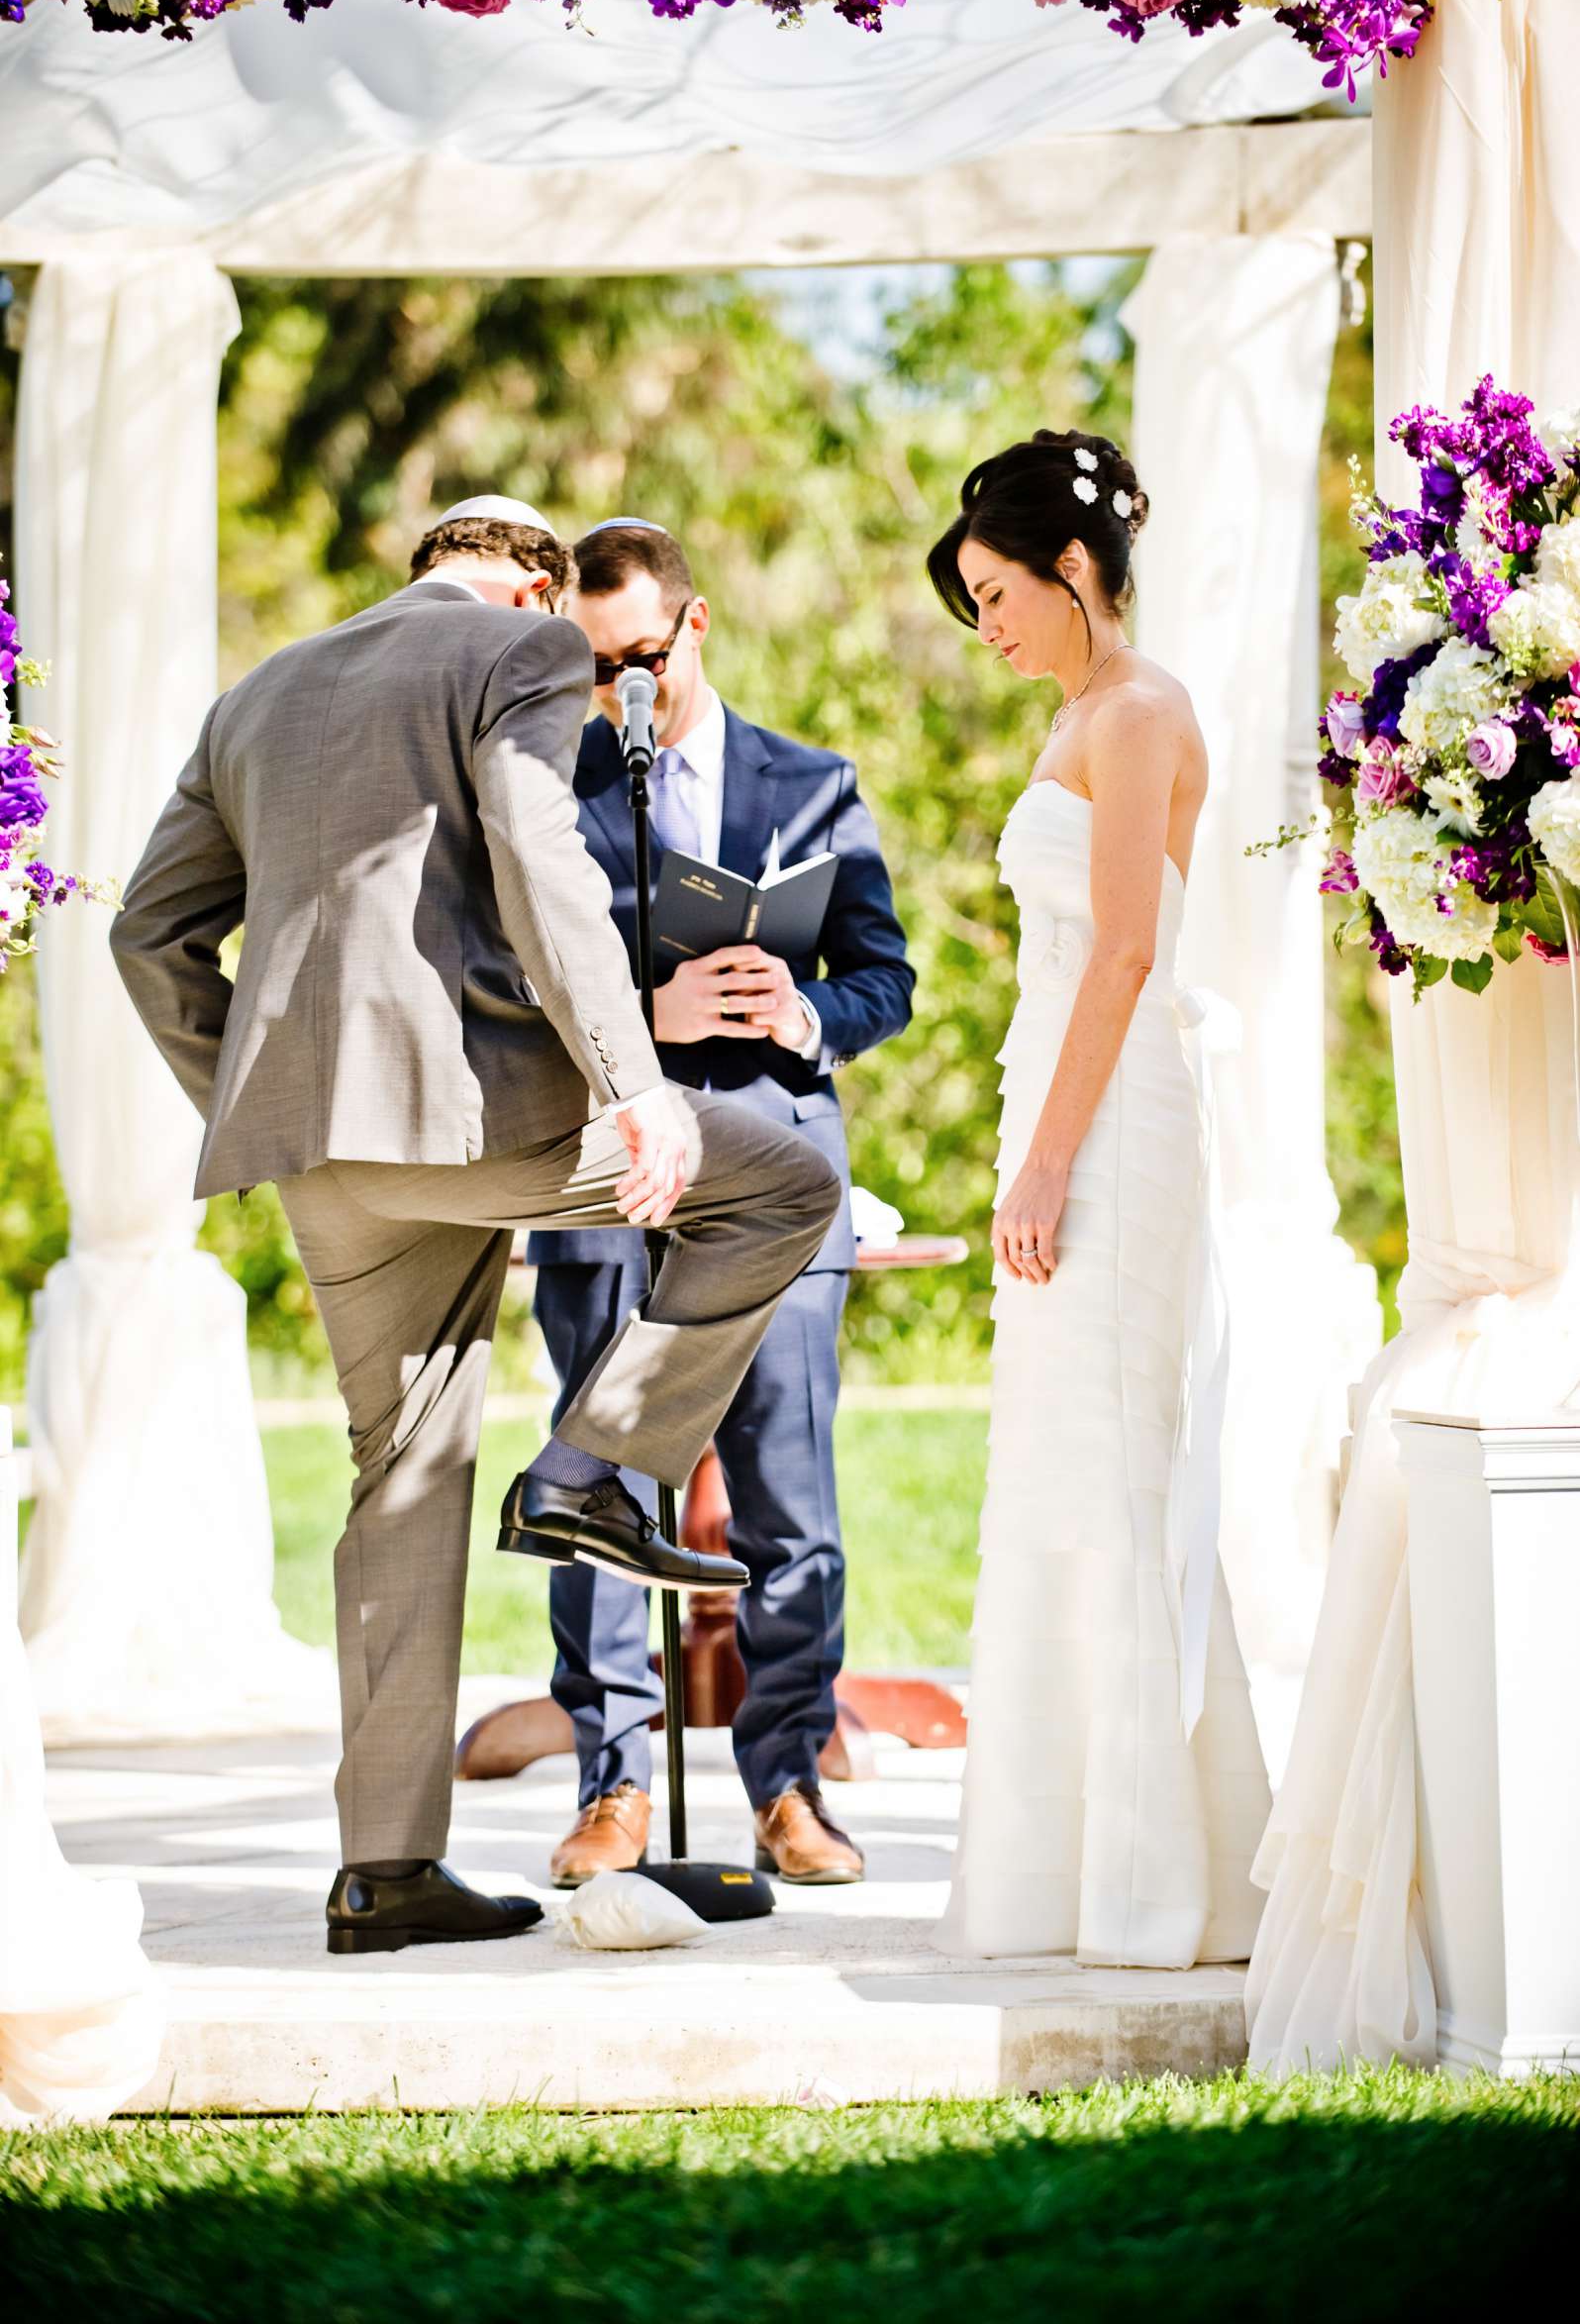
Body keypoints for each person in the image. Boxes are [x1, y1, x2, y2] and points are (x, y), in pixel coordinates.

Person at [109, 498, 840, 1958]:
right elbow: (544, 864)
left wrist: (265, 1100)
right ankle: (596, 1467)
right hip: (481, 1121)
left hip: (322, 1159)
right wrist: (640, 1090)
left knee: (397, 1473)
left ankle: (385, 1873)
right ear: (530, 586)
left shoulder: (254, 696)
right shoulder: (519, 654)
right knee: (783, 1185)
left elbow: (149, 934)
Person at [527, 518, 915, 1891]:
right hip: (601, 1184)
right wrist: (646, 1008)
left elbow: (889, 978)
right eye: (589, 669)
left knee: (789, 1510)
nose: (617, 690)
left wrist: (807, 1013)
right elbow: (505, 996)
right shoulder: (537, 791)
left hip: (776, 1163)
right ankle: (614, 1787)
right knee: (597, 1496)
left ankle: (788, 1783)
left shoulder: (813, 784)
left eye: (637, 657)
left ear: (693, 629)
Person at [926, 434, 1269, 1967]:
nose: (986, 625)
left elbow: (1127, 951)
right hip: (1066, 1107)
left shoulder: (1140, 712)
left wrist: (1053, 1158)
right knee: (1059, 1474)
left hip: (1116, 1126)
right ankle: (1063, 1869)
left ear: (1075, 572)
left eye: (999, 594)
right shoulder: (1080, 714)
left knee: (1115, 1471)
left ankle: (1146, 1883)